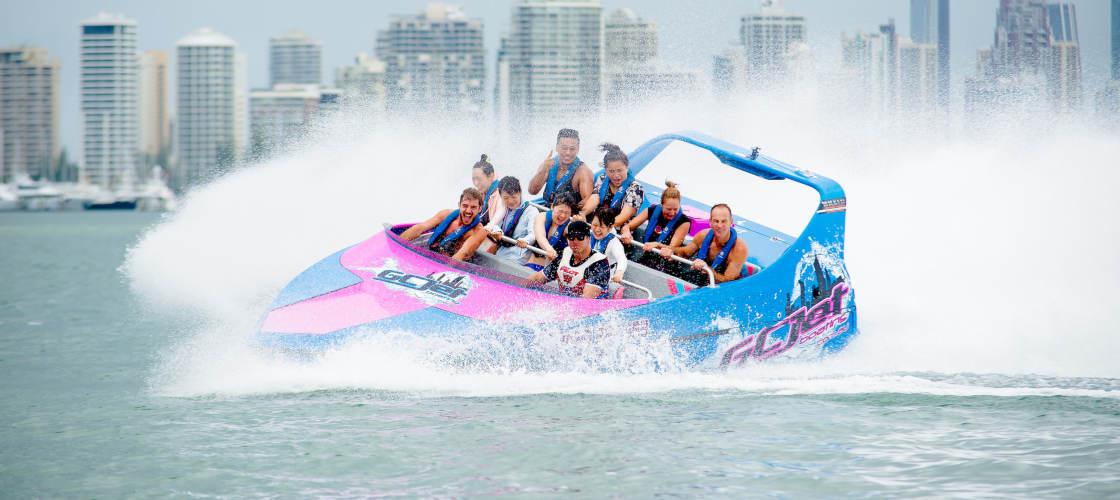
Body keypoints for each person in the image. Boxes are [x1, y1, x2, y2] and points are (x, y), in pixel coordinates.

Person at [527, 220, 611, 299]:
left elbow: (587, 299)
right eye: (571, 237)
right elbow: (537, 279)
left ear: (589, 239)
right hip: (566, 302)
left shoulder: (599, 263)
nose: (575, 241)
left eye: (580, 237)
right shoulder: (564, 255)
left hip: (594, 310)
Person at [399, 187, 489, 261]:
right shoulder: (445, 214)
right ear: (459, 205)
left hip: (451, 264)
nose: (468, 211)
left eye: (473, 207)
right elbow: (419, 228)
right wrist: (398, 246)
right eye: (465, 206)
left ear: (480, 209)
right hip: (431, 254)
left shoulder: (479, 231)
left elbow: (462, 254)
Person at [620, 181, 691, 271]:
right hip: (646, 257)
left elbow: (673, 248)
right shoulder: (652, 210)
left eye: (675, 209)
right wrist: (626, 232)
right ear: (661, 204)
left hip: (666, 264)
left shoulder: (684, 222)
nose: (672, 213)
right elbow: (627, 227)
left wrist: (656, 244)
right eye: (668, 209)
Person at [673, 204, 749, 284]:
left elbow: (727, 282)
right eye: (716, 221)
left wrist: (706, 268)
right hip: (708, 273)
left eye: (724, 221)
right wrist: (668, 250)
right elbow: (684, 252)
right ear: (710, 222)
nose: (719, 226)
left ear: (731, 222)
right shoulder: (702, 236)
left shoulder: (739, 249)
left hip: (729, 283)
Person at [579, 143, 643, 228]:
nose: (616, 175)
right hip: (596, 227)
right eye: (611, 171)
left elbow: (625, 215)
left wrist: (604, 227)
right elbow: (594, 198)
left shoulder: (636, 188)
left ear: (627, 167)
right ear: (605, 170)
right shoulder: (602, 178)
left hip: (616, 232)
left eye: (619, 170)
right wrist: (583, 213)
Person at [527, 128, 594, 207]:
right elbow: (532, 191)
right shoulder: (548, 164)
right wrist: (543, 170)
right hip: (547, 209)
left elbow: (587, 202)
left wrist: (564, 211)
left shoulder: (583, 171)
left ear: (578, 149)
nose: (568, 153)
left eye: (572, 149)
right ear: (557, 147)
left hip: (567, 214)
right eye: (564, 148)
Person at [484, 176, 539, 263]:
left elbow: (533, 235)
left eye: (513, 197)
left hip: (517, 259)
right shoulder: (501, 206)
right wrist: (497, 231)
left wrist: (525, 240)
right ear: (500, 196)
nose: (510, 201)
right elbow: (494, 224)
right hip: (500, 253)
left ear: (520, 193)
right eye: (506, 198)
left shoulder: (532, 211)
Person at [525, 192, 578, 271]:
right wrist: (549, 249)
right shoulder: (542, 216)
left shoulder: (569, 226)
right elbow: (540, 236)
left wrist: (575, 229)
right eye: (560, 211)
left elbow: (575, 249)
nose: (563, 216)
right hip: (532, 264)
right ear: (552, 207)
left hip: (552, 272)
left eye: (567, 213)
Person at [588, 207, 628, 284]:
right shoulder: (587, 234)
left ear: (610, 228)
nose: (597, 230)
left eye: (601, 227)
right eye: (595, 225)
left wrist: (619, 272)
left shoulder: (613, 242)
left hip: (605, 278)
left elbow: (622, 259)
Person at [471, 154, 504, 227]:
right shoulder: (482, 191)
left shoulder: (502, 194)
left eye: (479, 179)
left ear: (491, 176)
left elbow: (499, 217)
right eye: (474, 179)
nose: (476, 183)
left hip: (495, 233)